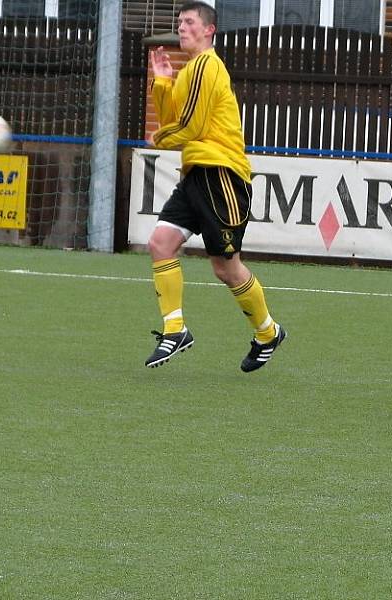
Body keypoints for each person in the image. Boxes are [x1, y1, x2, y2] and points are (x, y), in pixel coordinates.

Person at [145, 1, 286, 371]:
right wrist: (162, 81)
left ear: (209, 30)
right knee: (160, 243)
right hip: (198, 172)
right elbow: (173, 119)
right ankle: (175, 329)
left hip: (223, 174)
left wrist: (159, 139)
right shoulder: (190, 69)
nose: (181, 27)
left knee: (226, 268)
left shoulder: (208, 65)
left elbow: (188, 128)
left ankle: (268, 333)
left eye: (189, 22)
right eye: (179, 22)